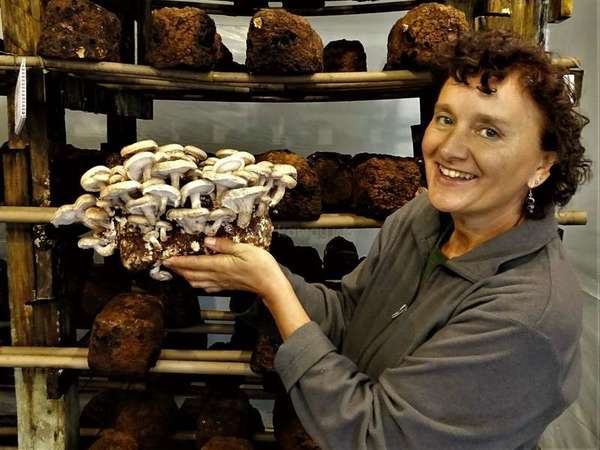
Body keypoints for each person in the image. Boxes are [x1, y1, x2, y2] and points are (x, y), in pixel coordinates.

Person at [165, 31, 591, 450]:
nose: (450, 149)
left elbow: (376, 435)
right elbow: (351, 315)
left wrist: (275, 291)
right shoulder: (425, 217)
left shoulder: (526, 316)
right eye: (445, 119)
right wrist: (262, 274)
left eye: (490, 132)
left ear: (542, 164)